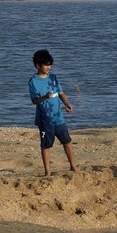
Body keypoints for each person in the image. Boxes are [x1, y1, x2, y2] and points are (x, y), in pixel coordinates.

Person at [28, 48, 76, 176]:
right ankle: (47, 172)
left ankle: (73, 166)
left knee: (67, 141)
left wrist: (67, 103)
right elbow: (34, 100)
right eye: (46, 65)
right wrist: (45, 97)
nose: (48, 67)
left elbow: (61, 93)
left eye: (50, 65)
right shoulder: (33, 81)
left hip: (58, 118)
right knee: (46, 145)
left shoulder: (53, 77)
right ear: (38, 66)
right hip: (45, 120)